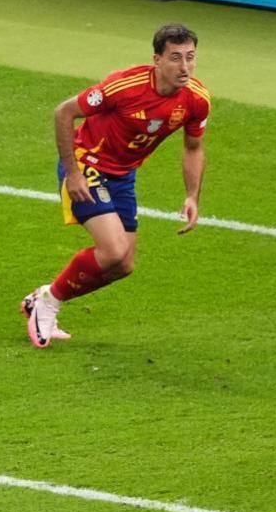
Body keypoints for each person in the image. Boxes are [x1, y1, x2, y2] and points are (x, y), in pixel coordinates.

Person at [21, 24, 210, 348]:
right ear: (157, 59)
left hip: (123, 176)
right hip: (87, 164)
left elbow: (193, 148)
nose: (184, 67)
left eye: (190, 58)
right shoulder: (125, 86)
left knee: (123, 265)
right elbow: (64, 113)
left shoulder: (196, 100)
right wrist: (73, 173)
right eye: (176, 58)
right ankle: (48, 303)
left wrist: (192, 195)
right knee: (113, 250)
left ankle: (42, 297)